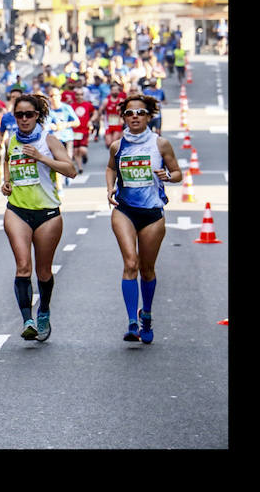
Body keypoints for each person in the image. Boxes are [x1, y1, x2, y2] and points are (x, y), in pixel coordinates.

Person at [105, 94, 182, 343]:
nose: (134, 116)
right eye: (129, 113)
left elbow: (178, 172)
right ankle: (131, 322)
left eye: (140, 112)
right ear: (124, 117)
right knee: (130, 263)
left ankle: (146, 314)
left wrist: (168, 176)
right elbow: (110, 168)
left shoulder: (161, 144)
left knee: (147, 269)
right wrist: (109, 188)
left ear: (149, 116)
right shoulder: (117, 146)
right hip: (125, 210)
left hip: (152, 213)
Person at [1, 94, 77, 341]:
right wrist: (6, 182)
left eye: (29, 115)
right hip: (17, 211)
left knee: (43, 272)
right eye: (19, 115)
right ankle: (28, 320)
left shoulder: (49, 140)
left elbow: (71, 170)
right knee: (23, 266)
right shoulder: (12, 140)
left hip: (47, 214)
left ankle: (43, 310)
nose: (24, 119)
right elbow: (7, 162)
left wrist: (42, 158)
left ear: (37, 116)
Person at [46, 86, 81, 192]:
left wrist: (65, 125)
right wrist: (51, 126)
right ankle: (59, 188)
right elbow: (45, 125)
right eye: (51, 96)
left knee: (67, 160)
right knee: (57, 163)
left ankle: (67, 175)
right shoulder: (48, 111)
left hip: (67, 138)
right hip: (55, 140)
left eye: (56, 95)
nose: (54, 98)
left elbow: (77, 122)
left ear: (60, 96)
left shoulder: (66, 108)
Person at [70, 84, 97, 173]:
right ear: (75, 95)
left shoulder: (87, 104)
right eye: (77, 95)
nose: (79, 96)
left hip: (84, 130)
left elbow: (95, 112)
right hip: (74, 131)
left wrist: (91, 120)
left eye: (81, 94)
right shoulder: (71, 106)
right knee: (75, 151)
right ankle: (80, 168)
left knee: (82, 150)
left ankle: (85, 156)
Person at [98, 81, 127, 149]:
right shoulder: (106, 101)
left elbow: (125, 111)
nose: (115, 92)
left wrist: (122, 119)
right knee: (108, 143)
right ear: (110, 91)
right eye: (113, 90)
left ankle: (114, 157)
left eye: (117, 90)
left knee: (114, 142)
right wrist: (101, 115)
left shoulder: (121, 101)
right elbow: (101, 109)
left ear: (119, 91)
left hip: (117, 124)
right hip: (108, 124)